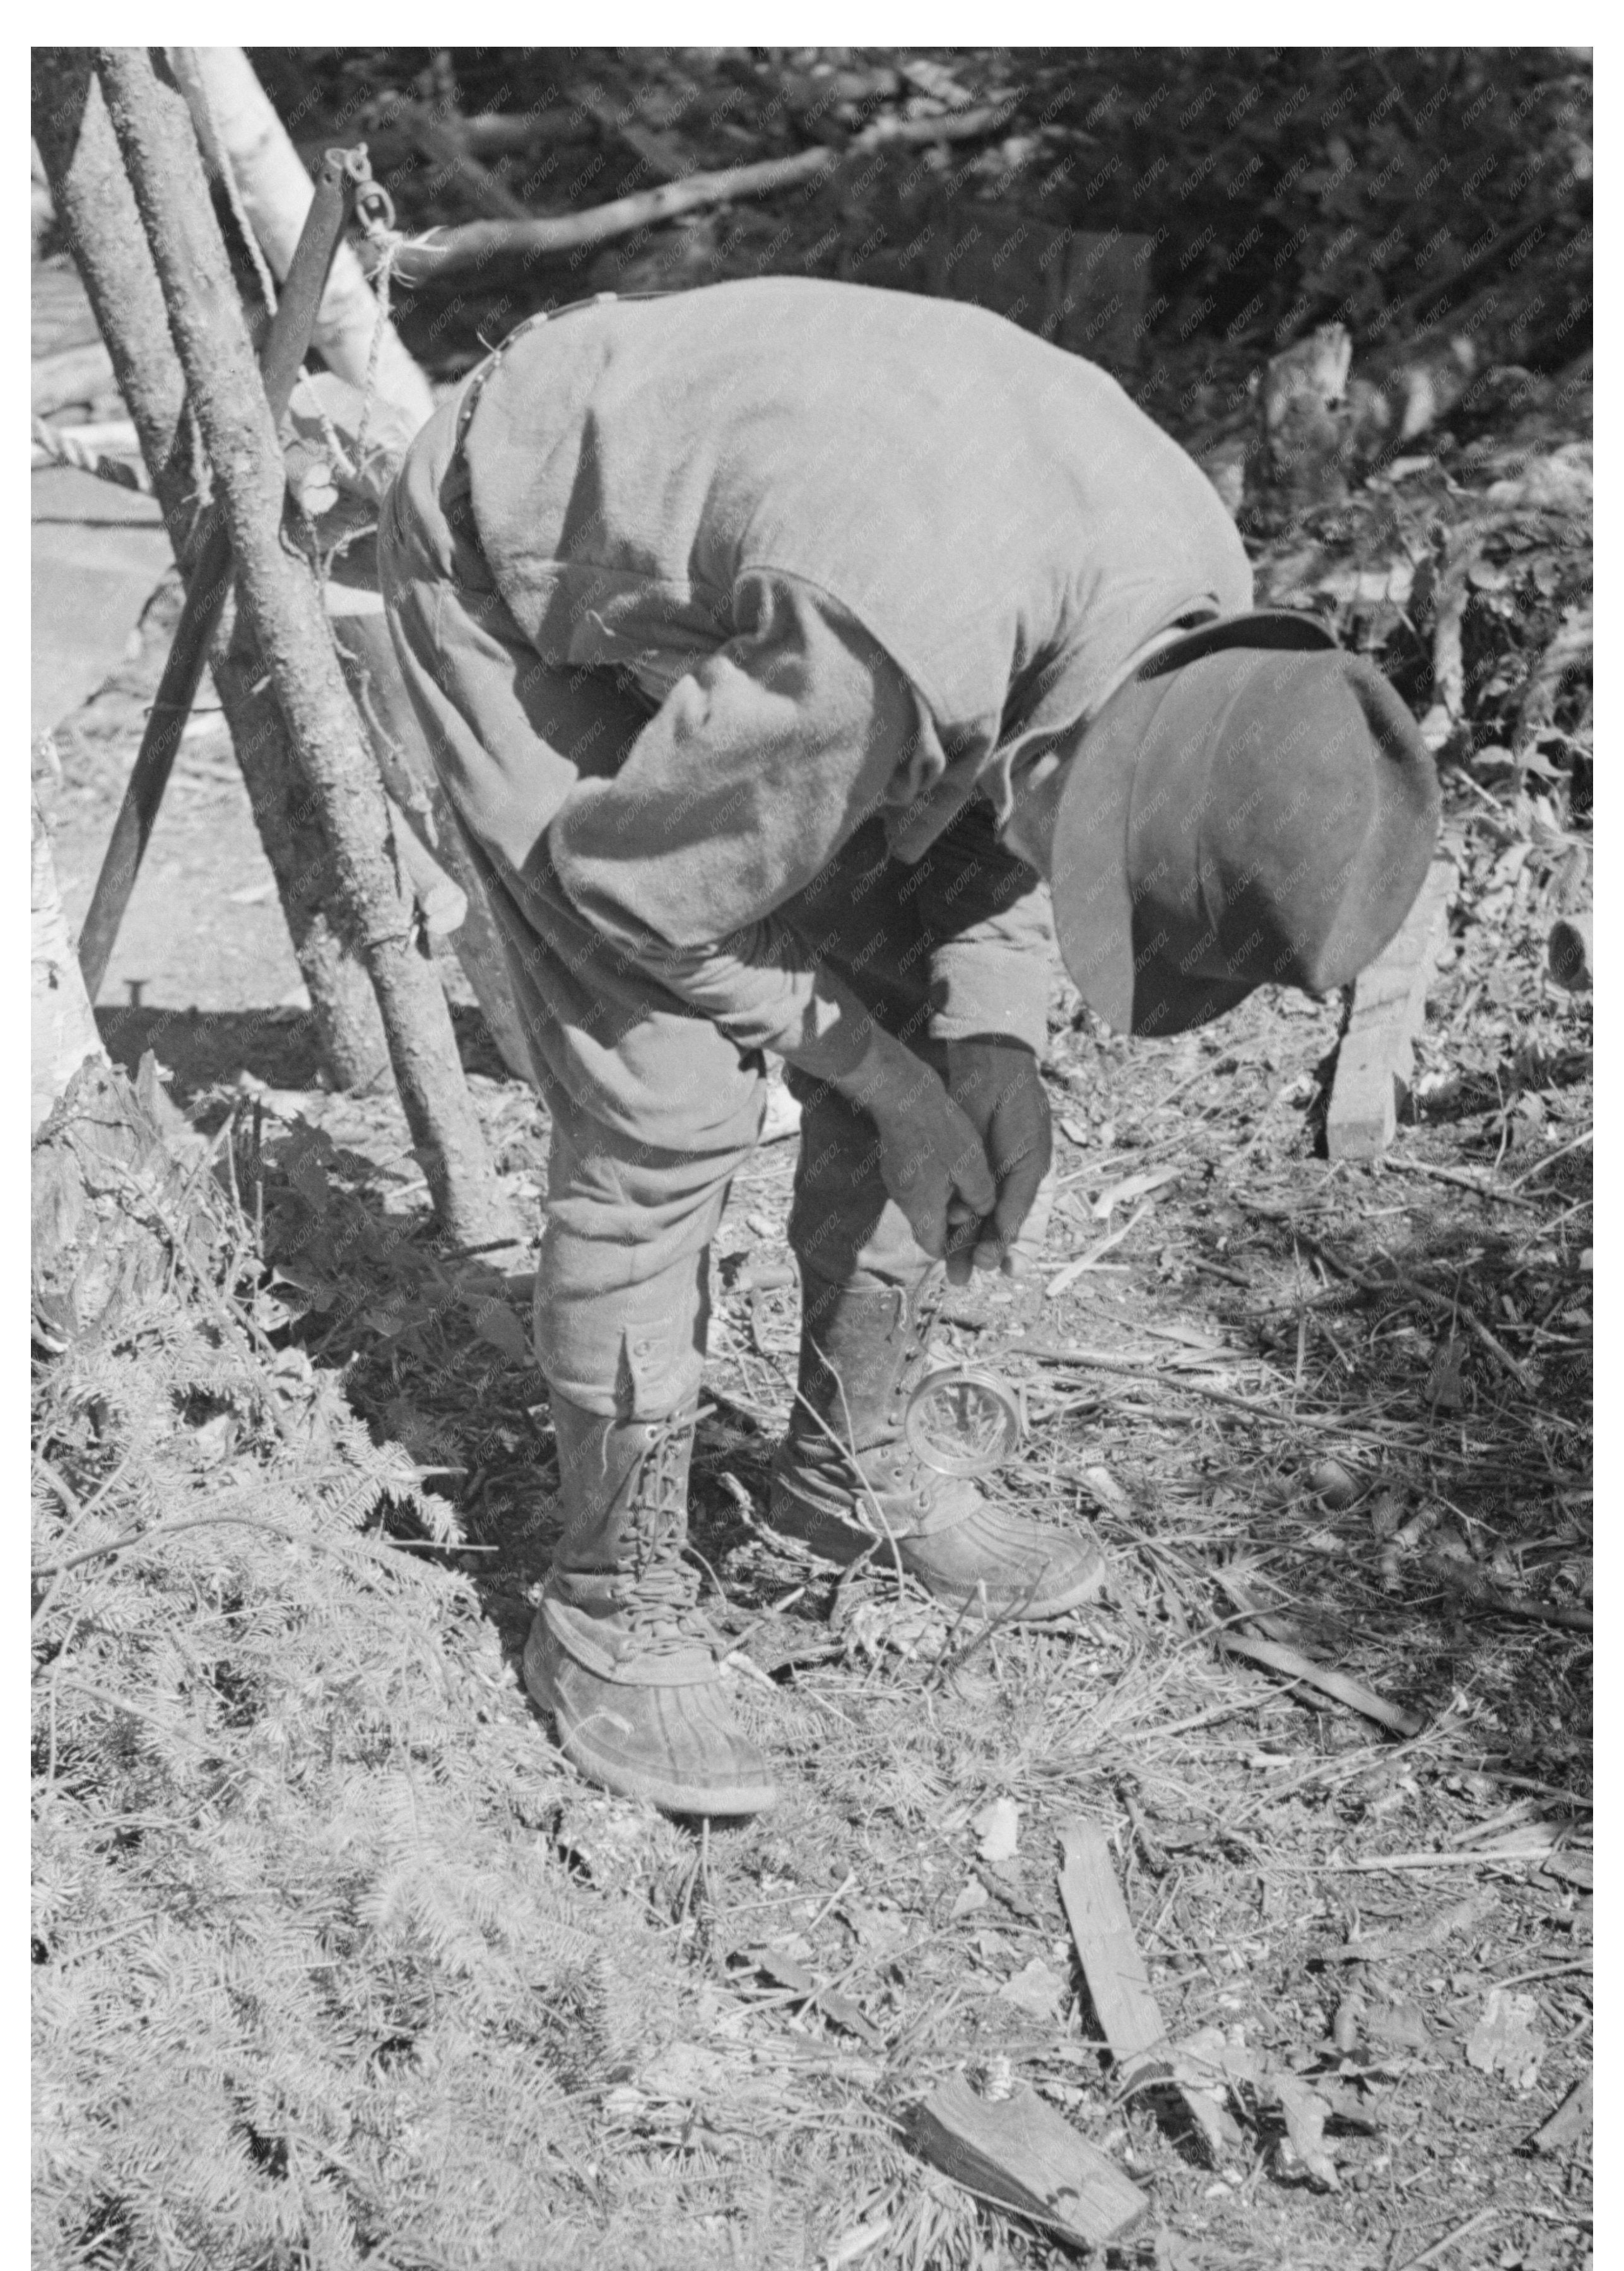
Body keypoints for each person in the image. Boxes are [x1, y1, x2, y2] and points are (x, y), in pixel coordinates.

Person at [380, 276, 1439, 1820]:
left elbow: (1005, 831)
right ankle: (610, 1601)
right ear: (1083, 760)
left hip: (822, 610)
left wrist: (989, 1048)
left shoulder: (1203, 616)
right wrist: (874, 1071)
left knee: (939, 1032)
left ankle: (842, 1466)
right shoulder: (890, 645)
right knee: (668, 1093)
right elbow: (640, 897)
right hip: (521, 564)